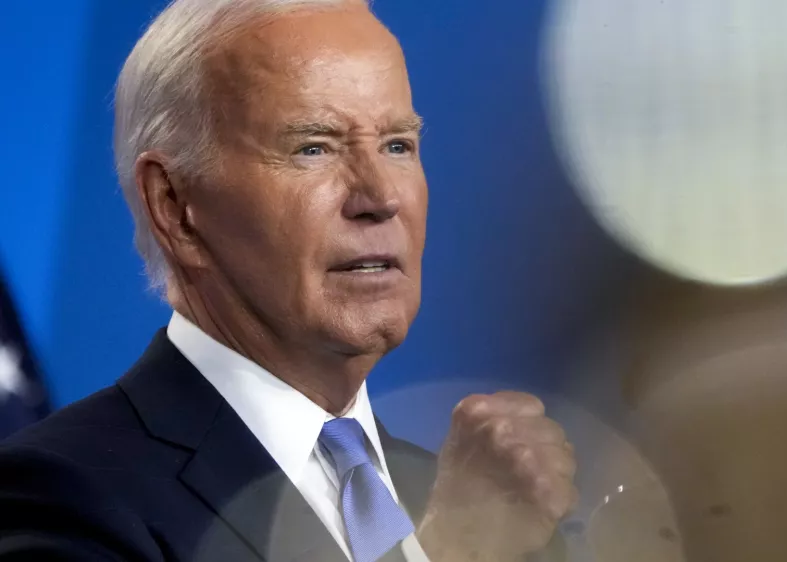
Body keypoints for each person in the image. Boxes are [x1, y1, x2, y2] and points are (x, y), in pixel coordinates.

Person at [0, 1, 577, 560]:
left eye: (398, 145)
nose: (380, 198)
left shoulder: (481, 504)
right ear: (174, 205)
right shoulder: (59, 495)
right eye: (314, 148)